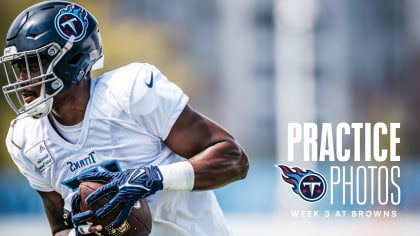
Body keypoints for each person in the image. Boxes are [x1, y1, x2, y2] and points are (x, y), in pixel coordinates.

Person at [1, 1, 249, 236]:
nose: (22, 80)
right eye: (19, 68)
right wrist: (83, 232)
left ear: (71, 61)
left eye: (33, 66)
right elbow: (59, 229)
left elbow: (233, 159)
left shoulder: (130, 94)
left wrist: (154, 178)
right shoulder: (26, 139)